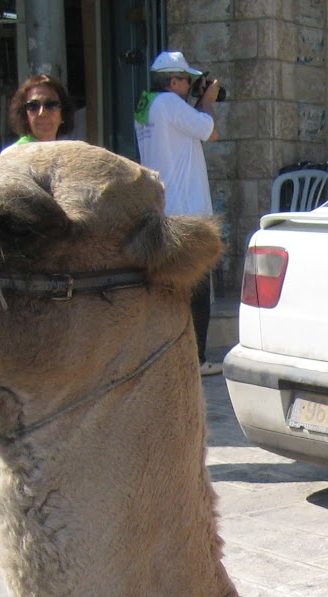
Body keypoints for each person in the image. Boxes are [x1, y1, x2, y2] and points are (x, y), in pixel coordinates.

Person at [134, 50, 223, 376]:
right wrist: (208, 100)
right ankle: (197, 360)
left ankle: (166, 356)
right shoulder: (171, 104)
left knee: (168, 289)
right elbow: (211, 131)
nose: (190, 86)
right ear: (174, 82)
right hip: (188, 212)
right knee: (197, 288)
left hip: (163, 209)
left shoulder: (145, 107)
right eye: (187, 80)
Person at [2, 73, 73, 152]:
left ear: (63, 113)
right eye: (33, 106)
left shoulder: (72, 153)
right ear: (24, 115)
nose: (42, 113)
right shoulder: (12, 153)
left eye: (51, 105)